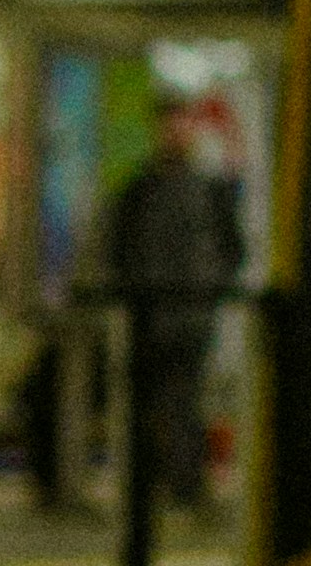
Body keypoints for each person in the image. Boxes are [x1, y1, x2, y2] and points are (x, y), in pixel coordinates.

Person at [104, 96, 246, 515]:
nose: (176, 133)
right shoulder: (139, 189)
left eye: (182, 124)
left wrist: (207, 292)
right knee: (150, 405)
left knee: (183, 403)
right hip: (150, 318)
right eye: (169, 125)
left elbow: (232, 250)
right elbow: (120, 249)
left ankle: (184, 486)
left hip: (189, 320)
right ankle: (156, 488)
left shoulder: (207, 190)